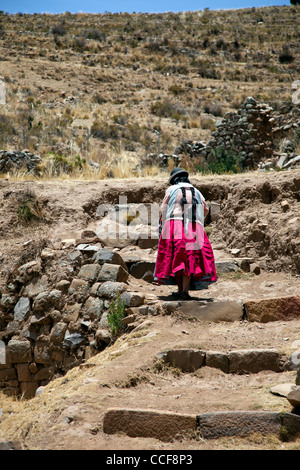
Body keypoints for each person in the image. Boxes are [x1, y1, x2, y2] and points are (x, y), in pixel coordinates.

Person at [154, 167, 217, 300]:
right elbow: (206, 209)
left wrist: (162, 224)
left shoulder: (172, 189)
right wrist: (198, 220)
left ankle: (179, 290)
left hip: (174, 224)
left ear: (174, 180)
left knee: (176, 255)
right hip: (194, 226)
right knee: (190, 257)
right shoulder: (197, 191)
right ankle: (186, 291)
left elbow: (163, 208)